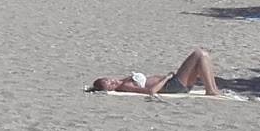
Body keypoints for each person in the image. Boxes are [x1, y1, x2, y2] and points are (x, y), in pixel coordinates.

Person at [91, 49, 221, 96]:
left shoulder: (122, 81)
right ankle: (210, 89)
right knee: (198, 54)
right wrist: (166, 78)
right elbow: (151, 91)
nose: (113, 82)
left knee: (204, 57)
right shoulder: (125, 86)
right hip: (171, 86)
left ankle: (212, 88)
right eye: (110, 85)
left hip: (173, 83)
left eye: (109, 80)